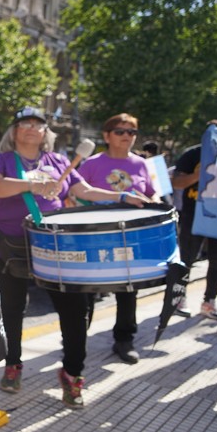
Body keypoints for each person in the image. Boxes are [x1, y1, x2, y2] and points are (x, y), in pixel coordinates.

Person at [0, 107, 143, 409]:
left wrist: (121, 196)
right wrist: (33, 185)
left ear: (46, 132)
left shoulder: (58, 161)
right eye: (24, 123)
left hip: (56, 246)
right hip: (10, 246)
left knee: (75, 309)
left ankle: (72, 373)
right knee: (12, 310)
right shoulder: (3, 160)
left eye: (38, 124)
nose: (31, 128)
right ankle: (13, 364)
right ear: (14, 131)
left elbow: (84, 189)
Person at [77, 113, 157, 364]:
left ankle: (124, 339)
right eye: (120, 131)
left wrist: (153, 203)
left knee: (128, 290)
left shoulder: (143, 164)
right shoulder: (90, 163)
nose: (127, 137)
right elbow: (77, 193)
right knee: (86, 291)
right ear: (106, 136)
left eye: (131, 132)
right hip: (94, 237)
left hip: (129, 238)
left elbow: (154, 195)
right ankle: (77, 339)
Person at [170, 120, 217, 321]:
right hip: (192, 215)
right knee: (186, 259)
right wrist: (197, 174)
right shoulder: (192, 154)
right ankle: (178, 299)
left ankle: (209, 301)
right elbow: (176, 182)